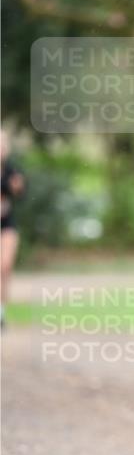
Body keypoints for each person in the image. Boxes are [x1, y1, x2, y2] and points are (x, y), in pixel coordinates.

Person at [1, 130, 25, 328]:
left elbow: (21, 193)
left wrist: (17, 188)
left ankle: (1, 313)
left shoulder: (12, 172)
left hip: (6, 224)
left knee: (5, 266)